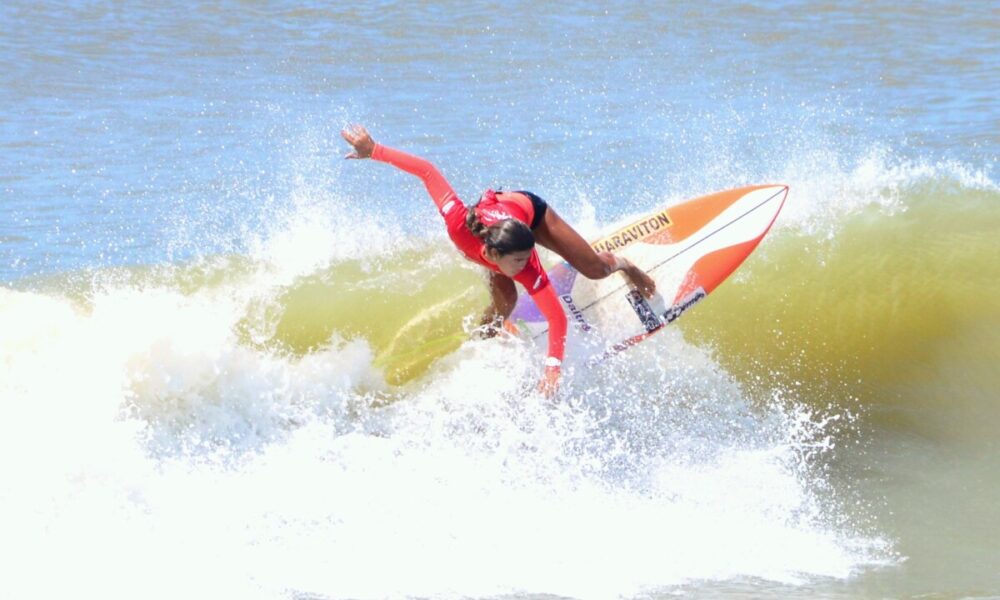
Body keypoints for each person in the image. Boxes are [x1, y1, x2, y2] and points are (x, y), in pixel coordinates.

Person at [341, 125, 655, 396]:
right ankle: (485, 340)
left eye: (527, 260)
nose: (529, 265)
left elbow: (557, 318)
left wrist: (552, 367)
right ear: (492, 255)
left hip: (530, 212)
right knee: (504, 302)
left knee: (595, 270)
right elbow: (427, 172)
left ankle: (623, 263)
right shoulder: (458, 222)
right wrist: (375, 151)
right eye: (520, 262)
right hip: (500, 232)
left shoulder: (525, 263)